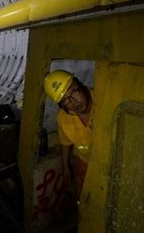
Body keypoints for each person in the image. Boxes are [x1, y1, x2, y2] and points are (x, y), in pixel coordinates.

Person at [43, 70, 93, 203]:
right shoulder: (63, 117)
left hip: (111, 163)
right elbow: (65, 142)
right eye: (65, 100)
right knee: (84, 202)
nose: (73, 102)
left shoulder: (104, 100)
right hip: (84, 162)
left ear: (81, 85)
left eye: (74, 92)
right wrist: (65, 167)